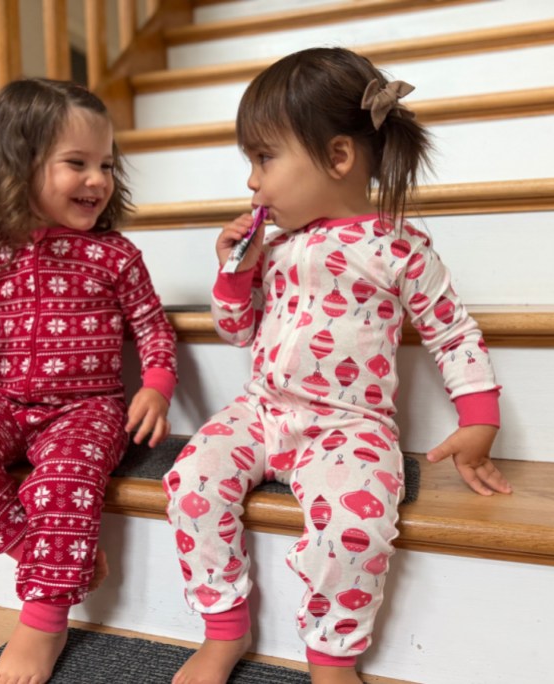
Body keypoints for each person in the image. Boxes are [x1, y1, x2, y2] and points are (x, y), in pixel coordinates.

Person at [163, 47, 511, 684]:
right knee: (190, 482)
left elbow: (451, 330)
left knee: (356, 524)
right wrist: (234, 274)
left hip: (349, 428)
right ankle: (224, 628)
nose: (251, 181)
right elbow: (237, 330)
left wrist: (479, 417)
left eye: (263, 159)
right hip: (261, 410)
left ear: (340, 157)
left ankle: (332, 658)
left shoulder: (397, 246)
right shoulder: (274, 244)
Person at [0, 79, 177, 684]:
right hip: (6, 402)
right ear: (19, 168)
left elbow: (155, 328)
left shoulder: (116, 256)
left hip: (87, 411)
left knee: (62, 481)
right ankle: (47, 554)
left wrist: (155, 385)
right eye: (76, 163)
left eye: (106, 164)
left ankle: (42, 622)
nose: (98, 180)